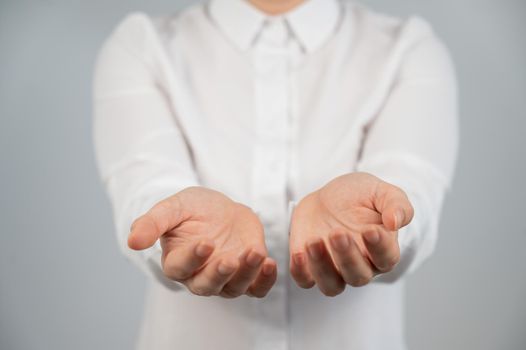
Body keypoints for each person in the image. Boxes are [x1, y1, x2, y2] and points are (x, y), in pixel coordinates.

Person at [92, 0, 459, 349]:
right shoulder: (143, 46)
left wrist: (383, 225)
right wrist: (174, 232)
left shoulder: (407, 49)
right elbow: (147, 187)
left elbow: (412, 191)